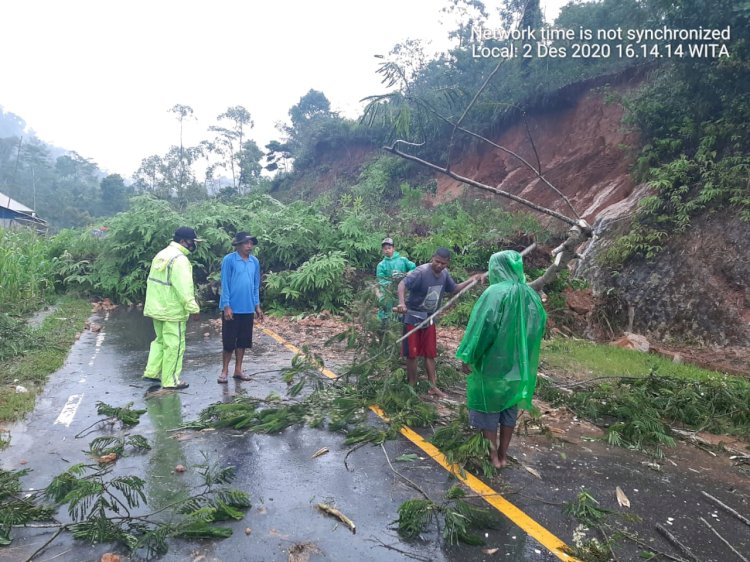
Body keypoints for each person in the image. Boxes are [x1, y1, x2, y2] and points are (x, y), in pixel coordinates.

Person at [455, 250, 547, 469]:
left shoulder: (495, 293)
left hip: (493, 362)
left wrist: (468, 355)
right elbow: (538, 325)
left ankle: (493, 457)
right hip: (518, 364)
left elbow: (482, 328)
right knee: (509, 408)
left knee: (488, 408)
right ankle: (504, 455)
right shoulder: (529, 294)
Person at [396, 247, 482, 397]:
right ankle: (412, 385)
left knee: (430, 353)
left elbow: (454, 289)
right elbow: (402, 285)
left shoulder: (444, 274)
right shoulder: (420, 272)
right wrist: (402, 303)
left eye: (443, 263)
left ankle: (432, 386)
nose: (439, 265)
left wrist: (471, 280)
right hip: (413, 317)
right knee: (412, 354)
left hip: (429, 318)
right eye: (437, 262)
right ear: (432, 258)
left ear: (447, 263)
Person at [143, 226, 202, 390]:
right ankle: (171, 380)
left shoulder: (161, 254)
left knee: (160, 341)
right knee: (175, 346)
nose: (194, 245)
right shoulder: (180, 260)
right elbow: (184, 288)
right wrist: (193, 308)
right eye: (193, 242)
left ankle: (152, 372)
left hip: (156, 308)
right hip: (172, 311)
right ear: (183, 241)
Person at [218, 231, 264, 383]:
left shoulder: (254, 262)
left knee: (243, 341)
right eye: (246, 243)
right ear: (238, 245)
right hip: (232, 308)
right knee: (229, 341)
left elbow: (255, 285)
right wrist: (226, 306)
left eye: (251, 243)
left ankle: (238, 369)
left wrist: (257, 305)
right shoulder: (229, 260)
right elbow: (225, 283)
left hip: (247, 307)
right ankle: (224, 371)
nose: (249, 246)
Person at [376, 237, 415, 321]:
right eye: (385, 249)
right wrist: (390, 284)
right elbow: (381, 279)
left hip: (403, 290)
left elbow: (413, 268)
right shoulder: (381, 265)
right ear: (383, 250)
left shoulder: (402, 260)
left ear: (393, 248)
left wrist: (408, 273)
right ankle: (386, 326)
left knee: (403, 309)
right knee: (387, 310)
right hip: (388, 292)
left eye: (389, 248)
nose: (387, 250)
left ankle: (403, 326)